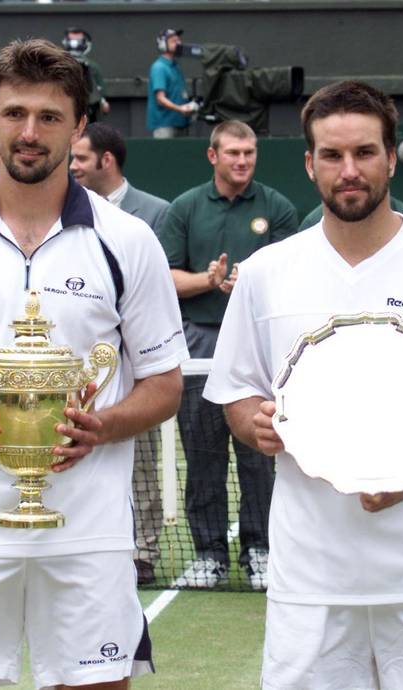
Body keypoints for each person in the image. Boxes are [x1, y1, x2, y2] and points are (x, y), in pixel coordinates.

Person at [0, 38, 187, 689]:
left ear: (79, 127)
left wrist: (102, 424)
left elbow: (164, 384)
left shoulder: (128, 241)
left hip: (89, 533)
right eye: (14, 113)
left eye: (49, 117)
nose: (29, 132)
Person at [204, 80, 403, 690]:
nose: (348, 171)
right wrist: (252, 422)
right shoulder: (267, 273)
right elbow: (238, 392)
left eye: (364, 153)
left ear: (391, 155)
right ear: (309, 163)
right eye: (332, 155)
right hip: (312, 582)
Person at [157, 119, 298, 589]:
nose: (242, 161)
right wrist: (209, 282)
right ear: (213, 156)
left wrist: (251, 286)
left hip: (260, 342)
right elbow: (166, 279)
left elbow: (290, 274)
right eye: (233, 153)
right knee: (202, 452)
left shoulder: (276, 206)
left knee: (259, 450)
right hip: (198, 341)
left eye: (249, 153)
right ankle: (208, 554)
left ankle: (259, 549)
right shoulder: (185, 208)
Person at [69, 122, 170, 584]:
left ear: (105, 160)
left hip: (136, 372)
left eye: (80, 159)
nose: (73, 167)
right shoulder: (61, 211)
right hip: (76, 373)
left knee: (143, 462)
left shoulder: (154, 214)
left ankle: (143, 550)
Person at [146, 28, 195, 139]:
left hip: (180, 123)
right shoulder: (159, 68)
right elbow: (160, 98)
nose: (179, 44)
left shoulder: (176, 67)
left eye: (179, 40)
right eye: (174, 41)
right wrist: (180, 109)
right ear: (163, 45)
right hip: (165, 125)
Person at [63, 27, 110, 123]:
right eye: (71, 41)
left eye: (79, 41)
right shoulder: (61, 65)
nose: (75, 44)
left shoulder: (92, 67)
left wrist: (102, 101)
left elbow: (99, 89)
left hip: (90, 109)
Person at [298, 195, 403, 230]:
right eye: (334, 156)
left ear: (391, 160)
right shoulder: (312, 222)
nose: (350, 172)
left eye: (364, 153)